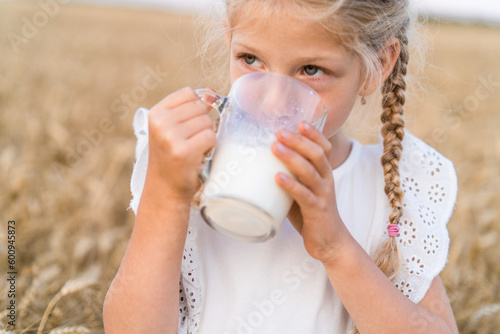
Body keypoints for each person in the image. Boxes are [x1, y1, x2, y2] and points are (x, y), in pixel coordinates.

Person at [103, 0, 460, 333]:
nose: (273, 103)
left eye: (311, 69)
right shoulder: (184, 166)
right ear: (230, 40)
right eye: (251, 59)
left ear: (379, 65)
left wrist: (335, 247)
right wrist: (165, 197)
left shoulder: (390, 190)